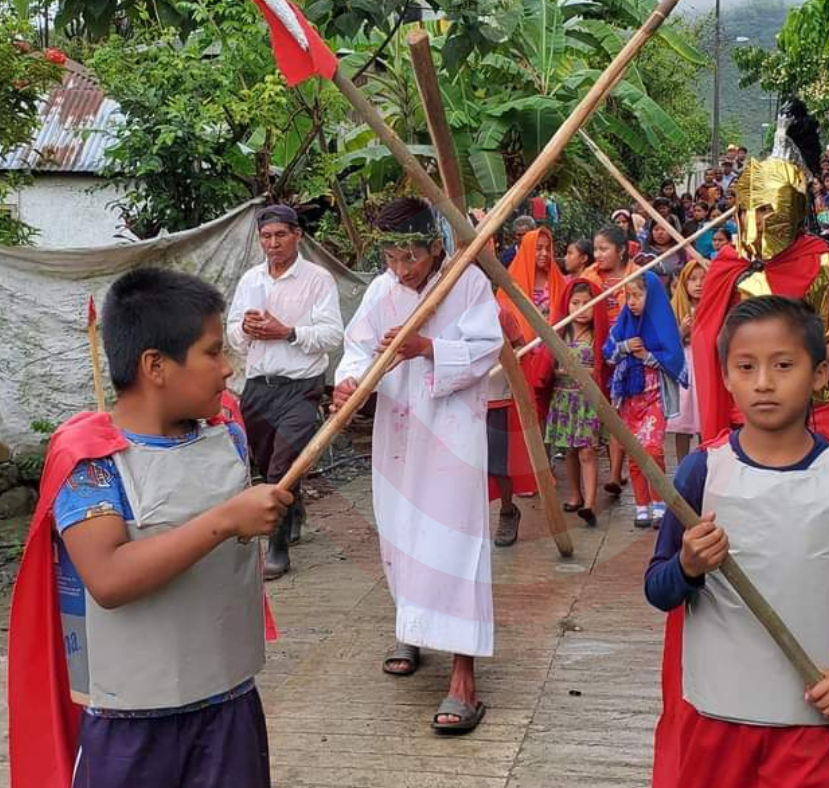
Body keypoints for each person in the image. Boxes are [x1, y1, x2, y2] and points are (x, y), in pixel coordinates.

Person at [9, 268, 292, 788]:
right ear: (155, 366)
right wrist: (226, 519)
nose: (226, 368)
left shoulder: (226, 436)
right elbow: (109, 578)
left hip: (229, 705)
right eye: (212, 352)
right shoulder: (91, 463)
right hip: (132, 729)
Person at [646, 296, 829, 788]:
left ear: (819, 374)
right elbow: (658, 589)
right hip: (715, 717)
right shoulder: (703, 474)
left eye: (784, 365)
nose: (764, 383)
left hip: (814, 722)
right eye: (746, 367)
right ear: (725, 377)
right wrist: (687, 566)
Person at [332, 197, 502, 732]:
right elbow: (358, 348)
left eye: (412, 258)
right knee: (401, 533)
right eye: (392, 258)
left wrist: (428, 347)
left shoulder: (467, 283)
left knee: (454, 542)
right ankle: (411, 627)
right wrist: (350, 383)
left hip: (452, 435)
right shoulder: (381, 291)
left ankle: (463, 675)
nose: (403, 270)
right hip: (399, 433)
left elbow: (488, 348)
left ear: (434, 246)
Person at [693, 99, 829, 452]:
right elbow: (709, 339)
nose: (757, 221)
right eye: (749, 211)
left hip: (815, 409)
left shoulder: (827, 262)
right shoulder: (730, 263)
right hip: (748, 411)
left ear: (793, 208)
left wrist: (801, 361)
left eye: (767, 211)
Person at [227, 204, 344, 579]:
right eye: (266, 236)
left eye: (280, 235)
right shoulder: (251, 280)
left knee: (281, 467)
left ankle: (276, 548)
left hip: (301, 386)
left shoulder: (317, 279)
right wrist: (245, 329)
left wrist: (288, 332)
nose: (273, 243)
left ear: (297, 235)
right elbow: (233, 334)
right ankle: (293, 508)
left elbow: (332, 335)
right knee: (266, 464)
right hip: (259, 386)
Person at [604, 272, 685, 529]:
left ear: (651, 297)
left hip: (655, 398)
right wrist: (625, 347)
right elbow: (608, 353)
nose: (632, 302)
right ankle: (641, 505)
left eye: (638, 295)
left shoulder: (664, 323)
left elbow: (675, 359)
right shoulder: (623, 323)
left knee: (653, 450)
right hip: (630, 399)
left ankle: (660, 502)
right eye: (628, 296)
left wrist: (647, 356)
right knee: (635, 453)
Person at [542, 278, 611, 526]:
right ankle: (575, 495)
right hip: (563, 398)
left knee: (587, 451)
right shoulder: (560, 331)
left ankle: (590, 503)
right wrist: (559, 370)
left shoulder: (598, 334)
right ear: (567, 304)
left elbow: (605, 367)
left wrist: (584, 371)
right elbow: (547, 365)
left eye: (587, 303)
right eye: (576, 303)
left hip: (587, 401)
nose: (581, 309)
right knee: (570, 450)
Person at [585, 225, 636, 496]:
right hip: (596, 353)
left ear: (621, 250)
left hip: (626, 355)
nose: (598, 254)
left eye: (604, 249)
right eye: (596, 249)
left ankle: (615, 473)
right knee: (600, 411)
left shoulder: (637, 276)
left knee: (619, 413)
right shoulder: (589, 277)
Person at [499, 226, 568, 423]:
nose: (544, 253)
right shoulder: (511, 283)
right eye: (538, 248)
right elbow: (503, 317)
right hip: (522, 354)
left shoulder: (558, 281)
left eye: (547, 248)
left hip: (552, 358)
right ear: (528, 249)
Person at [487, 306, 535, 547]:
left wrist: (514, 356)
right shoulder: (448, 309)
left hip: (496, 398)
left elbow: (521, 347)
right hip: (462, 400)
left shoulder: (500, 313)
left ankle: (507, 511)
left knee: (498, 464)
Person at [667, 260, 706, 463]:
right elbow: (667, 342)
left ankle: (705, 464)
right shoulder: (676, 308)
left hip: (705, 365)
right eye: (693, 279)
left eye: (703, 278)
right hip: (684, 368)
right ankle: (682, 465)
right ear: (684, 282)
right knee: (683, 421)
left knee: (705, 418)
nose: (699, 284)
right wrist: (682, 331)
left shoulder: (713, 306)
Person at [642, 221, 687, 286]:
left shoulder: (682, 251)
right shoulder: (644, 253)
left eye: (664, 229)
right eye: (656, 229)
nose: (660, 233)